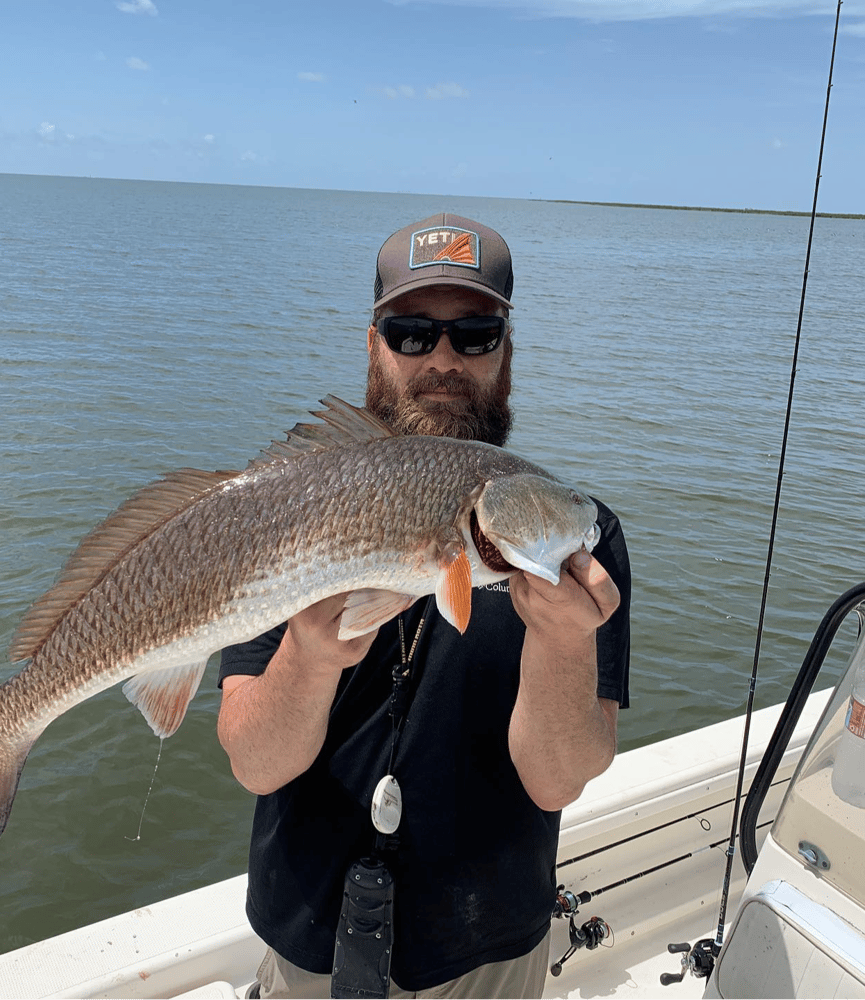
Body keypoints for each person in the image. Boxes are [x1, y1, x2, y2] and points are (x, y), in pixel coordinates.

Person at [217, 213, 631, 1000]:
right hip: (307, 942)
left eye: (474, 334)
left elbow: (558, 780)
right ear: (373, 345)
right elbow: (254, 761)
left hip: (489, 957)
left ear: (506, 353)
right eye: (411, 333)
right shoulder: (287, 507)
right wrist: (305, 660)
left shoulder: (582, 545)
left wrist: (563, 646)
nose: (442, 359)